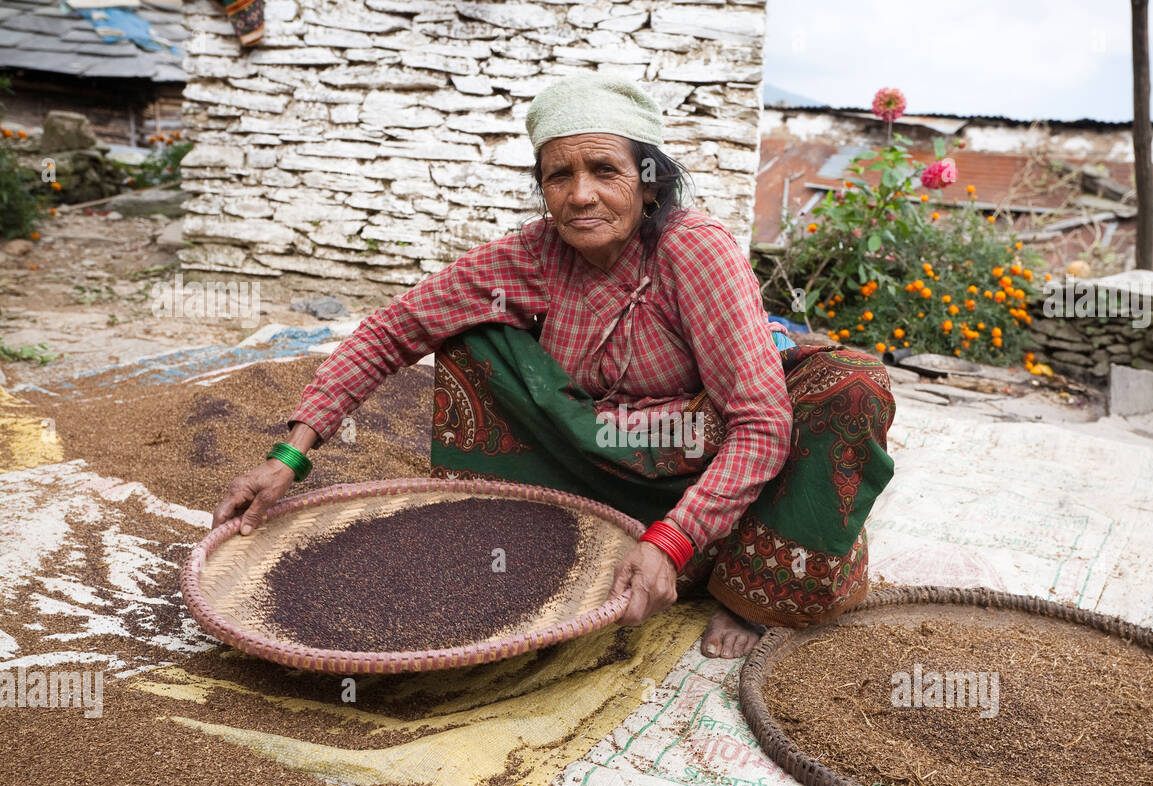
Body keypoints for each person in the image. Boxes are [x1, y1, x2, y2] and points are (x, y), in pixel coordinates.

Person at [211, 73, 897, 660]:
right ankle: (561, 528)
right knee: (473, 340)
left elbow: (760, 423)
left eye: (605, 171)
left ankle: (749, 583)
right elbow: (397, 327)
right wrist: (291, 454)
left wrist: (674, 540)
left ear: (649, 184)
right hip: (617, 444)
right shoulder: (535, 257)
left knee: (853, 386)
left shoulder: (695, 250)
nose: (581, 195)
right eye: (559, 175)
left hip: (715, 443)